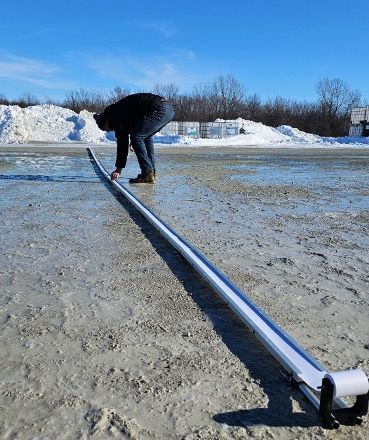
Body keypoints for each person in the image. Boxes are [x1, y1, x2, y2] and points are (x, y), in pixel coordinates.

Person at [93, 93, 175, 183]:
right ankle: (151, 173)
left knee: (137, 137)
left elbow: (122, 144)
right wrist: (135, 140)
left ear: (105, 121)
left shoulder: (115, 115)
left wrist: (118, 169)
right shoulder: (118, 111)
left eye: (107, 129)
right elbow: (137, 126)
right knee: (145, 137)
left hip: (158, 109)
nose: (110, 130)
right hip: (167, 109)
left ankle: (147, 173)